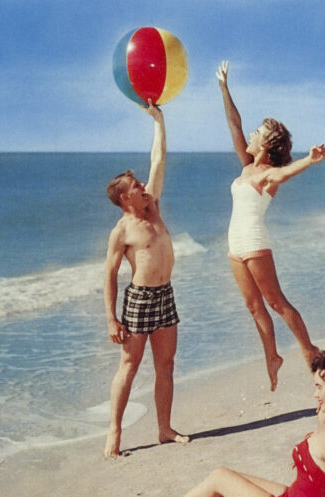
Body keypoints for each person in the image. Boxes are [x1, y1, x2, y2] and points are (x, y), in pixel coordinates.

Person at [216, 60, 325, 391]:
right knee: (254, 307)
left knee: (276, 302)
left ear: (265, 145)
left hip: (253, 243)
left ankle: (309, 351)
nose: (251, 134)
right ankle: (272, 357)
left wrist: (310, 159)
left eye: (258, 133)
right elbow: (234, 125)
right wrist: (224, 88)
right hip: (235, 248)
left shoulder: (267, 175)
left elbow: (284, 172)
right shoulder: (247, 165)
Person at [103, 101, 189, 458]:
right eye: (136, 186)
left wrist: (159, 121)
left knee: (165, 365)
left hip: (165, 296)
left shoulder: (153, 207)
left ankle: (164, 429)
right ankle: (114, 434)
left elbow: (159, 159)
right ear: (125, 198)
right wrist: (111, 318)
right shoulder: (122, 230)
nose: (143, 186)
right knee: (129, 365)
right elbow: (109, 275)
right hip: (138, 300)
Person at [183, 349, 325, 497]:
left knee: (219, 477)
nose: (315, 394)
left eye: (320, 387)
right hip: (293, 494)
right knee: (228, 480)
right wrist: (322, 422)